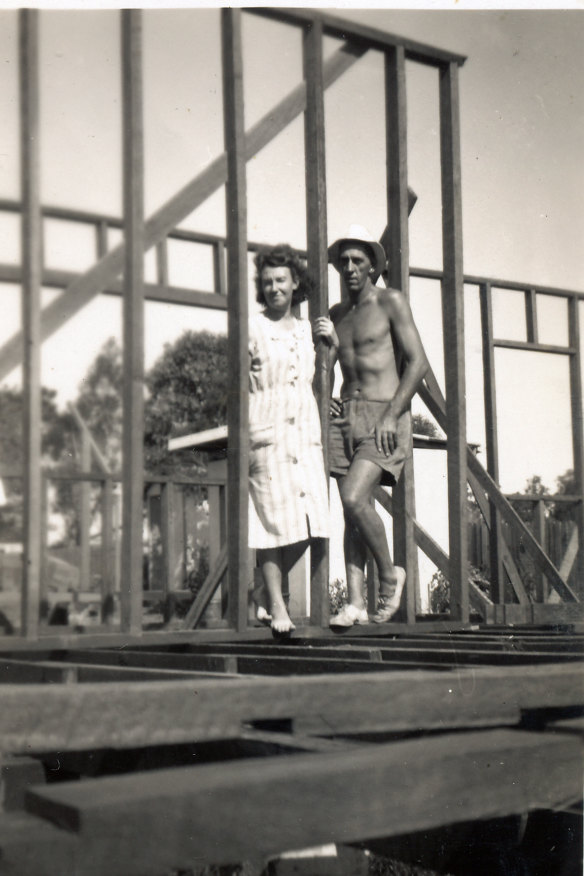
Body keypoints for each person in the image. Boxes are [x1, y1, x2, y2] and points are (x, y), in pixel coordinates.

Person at [314, 225, 429, 626]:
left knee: (352, 497)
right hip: (344, 414)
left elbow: (418, 363)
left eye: (357, 261)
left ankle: (389, 574)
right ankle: (355, 603)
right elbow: (323, 375)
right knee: (352, 511)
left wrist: (391, 414)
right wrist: (325, 363)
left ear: (371, 265)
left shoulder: (391, 302)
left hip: (384, 414)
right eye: (343, 261)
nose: (349, 268)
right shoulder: (336, 315)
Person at [248, 244, 330, 634]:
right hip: (267, 427)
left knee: (312, 519)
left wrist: (330, 339)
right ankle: (279, 605)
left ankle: (264, 591)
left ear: (295, 282)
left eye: (281, 280)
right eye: (267, 282)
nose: (274, 288)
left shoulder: (305, 329)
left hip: (305, 429)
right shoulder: (252, 326)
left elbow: (320, 373)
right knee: (270, 522)